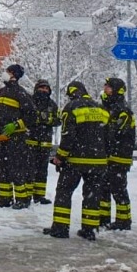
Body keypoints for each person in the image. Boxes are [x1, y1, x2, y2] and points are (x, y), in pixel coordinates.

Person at [42, 81, 109, 240]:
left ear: (72, 93)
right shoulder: (102, 109)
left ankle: (60, 228)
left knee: (64, 192)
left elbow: (68, 136)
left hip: (76, 161)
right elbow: (109, 137)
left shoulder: (71, 108)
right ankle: (89, 229)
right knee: (92, 195)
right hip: (98, 161)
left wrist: (60, 156)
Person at [0, 63, 36, 209]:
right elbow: (0, 113)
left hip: (17, 139)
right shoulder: (1, 92)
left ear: (14, 75)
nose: (5, 73)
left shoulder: (22, 94)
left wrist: (15, 126)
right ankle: (5, 199)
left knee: (17, 169)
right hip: (2, 138)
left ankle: (22, 200)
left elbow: (32, 116)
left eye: (7, 71)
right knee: (2, 169)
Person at [99, 76, 135, 230]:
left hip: (119, 157)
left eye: (108, 86)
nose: (105, 88)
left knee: (118, 190)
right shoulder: (108, 107)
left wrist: (101, 131)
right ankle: (103, 218)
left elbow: (115, 133)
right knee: (104, 188)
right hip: (108, 157)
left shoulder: (123, 111)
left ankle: (124, 221)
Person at [28, 79, 60, 204]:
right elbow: (25, 117)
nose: (44, 90)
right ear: (36, 88)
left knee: (42, 170)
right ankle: (27, 195)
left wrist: (48, 119)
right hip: (30, 141)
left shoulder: (52, 104)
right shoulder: (30, 102)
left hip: (45, 142)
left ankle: (39, 196)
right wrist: (37, 119)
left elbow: (58, 120)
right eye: (41, 88)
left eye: (46, 88)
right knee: (29, 169)